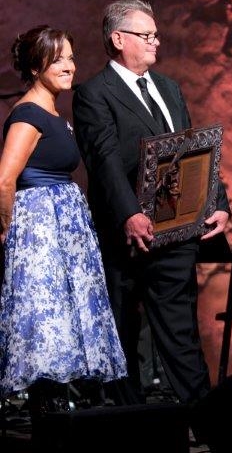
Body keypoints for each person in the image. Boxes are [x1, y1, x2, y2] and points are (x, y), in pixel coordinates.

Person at [72, 0, 230, 407]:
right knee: (123, 332)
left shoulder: (169, 88)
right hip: (125, 237)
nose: (156, 42)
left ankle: (211, 425)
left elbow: (194, 149)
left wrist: (219, 201)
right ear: (118, 39)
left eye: (156, 34)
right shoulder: (94, 93)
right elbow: (103, 160)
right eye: (147, 35)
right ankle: (131, 427)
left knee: (180, 334)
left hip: (175, 233)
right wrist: (129, 213)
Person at [0, 26, 127, 435]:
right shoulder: (27, 115)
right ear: (36, 66)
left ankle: (66, 423)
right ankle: (47, 427)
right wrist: (6, 231)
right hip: (40, 231)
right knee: (45, 321)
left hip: (64, 230)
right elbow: (4, 180)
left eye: (71, 57)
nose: (70, 66)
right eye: (58, 60)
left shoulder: (53, 113)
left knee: (66, 324)